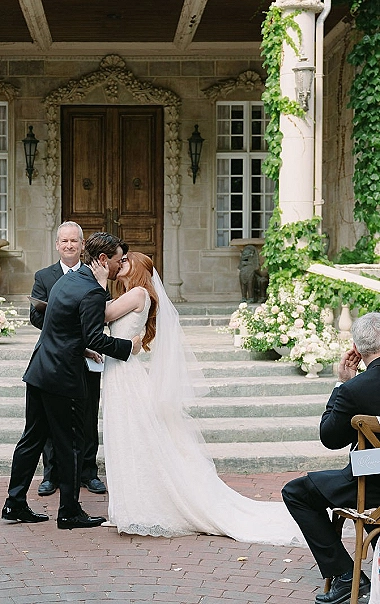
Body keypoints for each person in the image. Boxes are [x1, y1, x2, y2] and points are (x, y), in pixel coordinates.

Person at [92, 251, 305, 545]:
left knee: (133, 439)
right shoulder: (132, 294)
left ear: (139, 269)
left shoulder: (138, 292)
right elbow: (129, 339)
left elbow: (101, 314)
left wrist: (100, 281)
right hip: (121, 372)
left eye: (127, 261)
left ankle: (140, 509)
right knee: (126, 439)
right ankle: (127, 507)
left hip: (126, 378)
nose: (121, 263)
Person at [2, 232, 142, 530]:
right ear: (104, 260)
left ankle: (14, 504)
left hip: (40, 369)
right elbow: (95, 336)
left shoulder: (69, 279)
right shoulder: (92, 290)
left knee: (32, 439)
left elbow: (61, 326)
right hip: (62, 377)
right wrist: (129, 347)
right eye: (118, 260)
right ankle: (68, 512)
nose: (120, 266)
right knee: (71, 443)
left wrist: (83, 347)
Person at [282, 311, 380, 604]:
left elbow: (330, 437)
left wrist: (342, 385)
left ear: (358, 350)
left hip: (372, 480)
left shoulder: (354, 390)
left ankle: (346, 574)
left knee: (296, 492)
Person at [30, 220, 107, 496]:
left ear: (82, 244)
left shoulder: (94, 276)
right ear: (57, 245)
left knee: (88, 416)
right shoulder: (44, 276)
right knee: (52, 419)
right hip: (55, 359)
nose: (69, 245)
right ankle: (51, 475)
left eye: (74, 241)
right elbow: (35, 315)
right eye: (64, 241)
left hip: (88, 357)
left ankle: (89, 472)